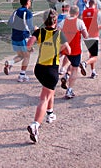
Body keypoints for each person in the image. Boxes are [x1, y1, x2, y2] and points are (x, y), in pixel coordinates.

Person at [26, 9, 71, 143]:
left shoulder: (39, 32)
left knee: (49, 89)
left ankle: (50, 113)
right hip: (51, 70)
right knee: (44, 97)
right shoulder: (59, 34)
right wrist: (59, 52)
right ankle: (35, 125)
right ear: (55, 21)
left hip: (39, 69)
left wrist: (31, 49)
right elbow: (68, 50)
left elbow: (29, 44)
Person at [4, 0, 35, 82]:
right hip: (23, 37)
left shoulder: (16, 11)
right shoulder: (28, 12)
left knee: (21, 55)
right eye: (29, 0)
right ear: (27, 2)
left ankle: (10, 63)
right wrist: (34, 29)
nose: (30, 2)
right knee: (27, 56)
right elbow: (29, 26)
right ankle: (22, 75)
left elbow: (10, 23)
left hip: (14, 37)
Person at [60, 6, 88, 98]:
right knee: (75, 69)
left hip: (65, 48)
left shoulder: (63, 22)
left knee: (67, 59)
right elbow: (85, 35)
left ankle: (65, 75)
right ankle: (69, 90)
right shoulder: (79, 22)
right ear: (77, 13)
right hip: (75, 49)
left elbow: (57, 33)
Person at [80, 0, 101, 79]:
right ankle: (85, 63)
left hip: (86, 36)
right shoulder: (97, 12)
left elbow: (81, 23)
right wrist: (98, 27)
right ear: (95, 4)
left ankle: (93, 71)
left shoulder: (84, 12)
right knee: (94, 56)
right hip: (94, 36)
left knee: (91, 54)